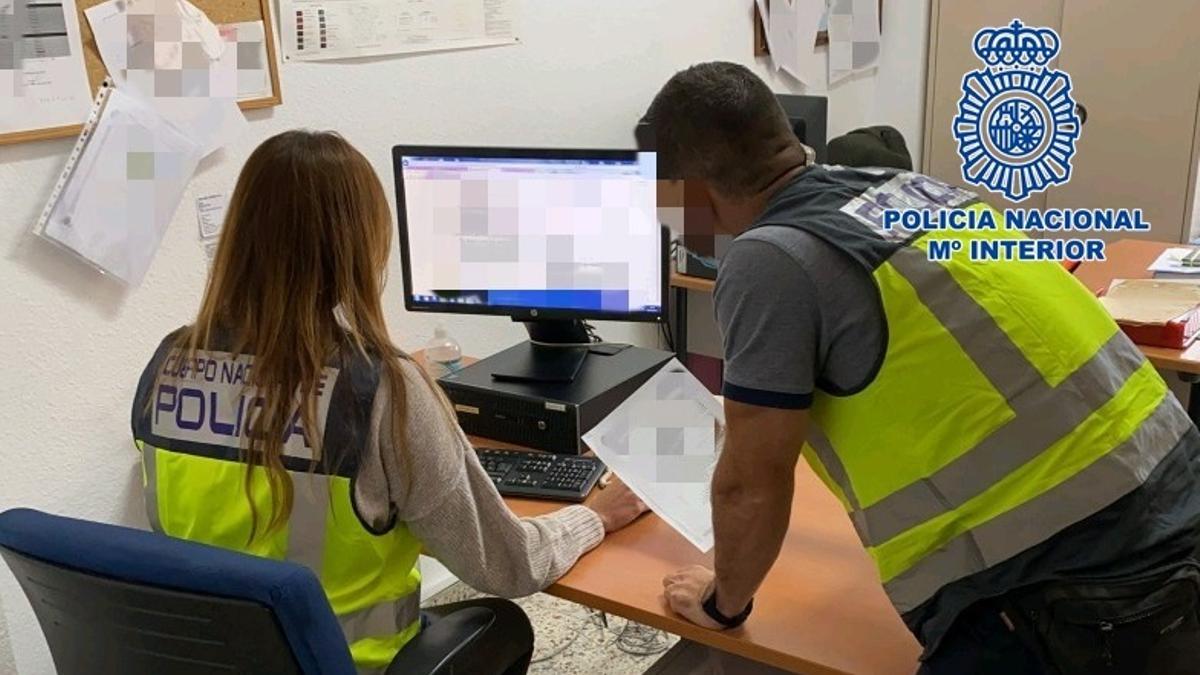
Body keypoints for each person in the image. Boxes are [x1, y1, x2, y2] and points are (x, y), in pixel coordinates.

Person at [648, 62, 1200, 674]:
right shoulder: (902, 189)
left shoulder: (767, 259)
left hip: (1072, 579)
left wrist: (723, 603)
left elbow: (751, 484)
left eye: (666, 201)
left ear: (693, 190)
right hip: (1173, 494)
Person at [129, 130, 648, 674]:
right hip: (353, 664)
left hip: (212, 660)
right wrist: (593, 518)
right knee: (504, 623)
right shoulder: (379, 389)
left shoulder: (169, 364)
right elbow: (510, 566)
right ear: (358, 245)